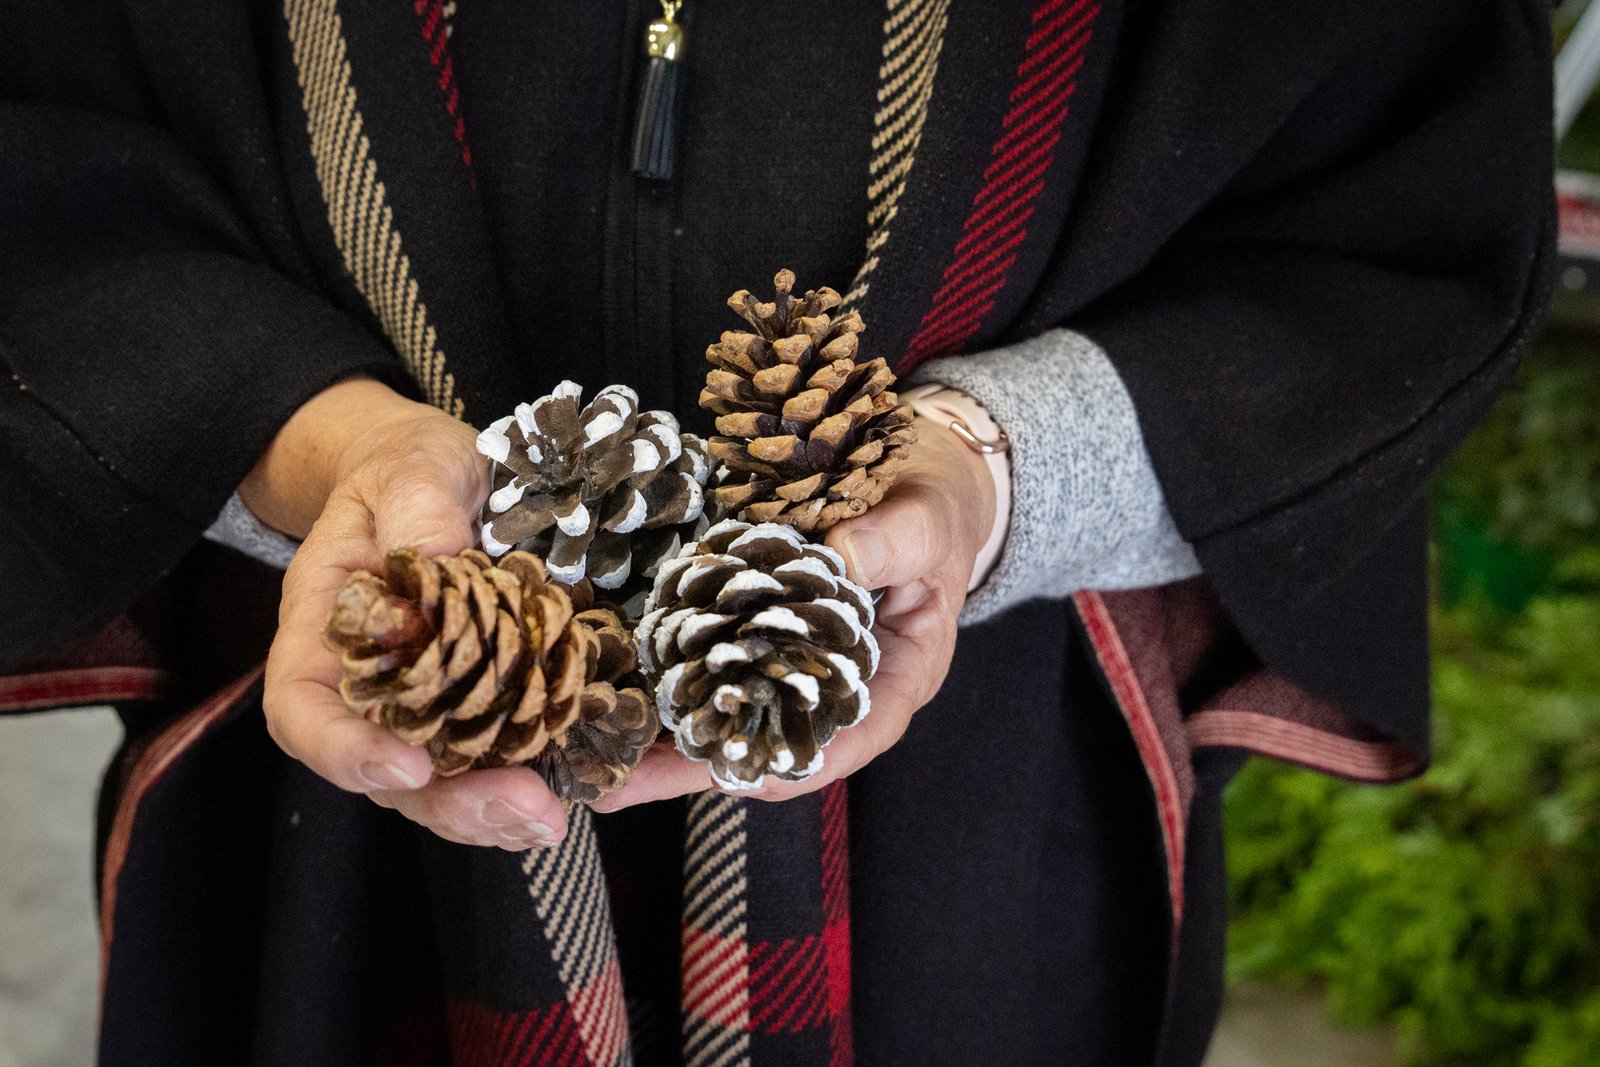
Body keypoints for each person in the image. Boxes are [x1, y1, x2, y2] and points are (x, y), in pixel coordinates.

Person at [0, 1, 1551, 1064]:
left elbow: (1391, 227)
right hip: (342, 761)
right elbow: (48, 161)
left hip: (988, 796)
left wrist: (987, 468)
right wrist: (318, 444)